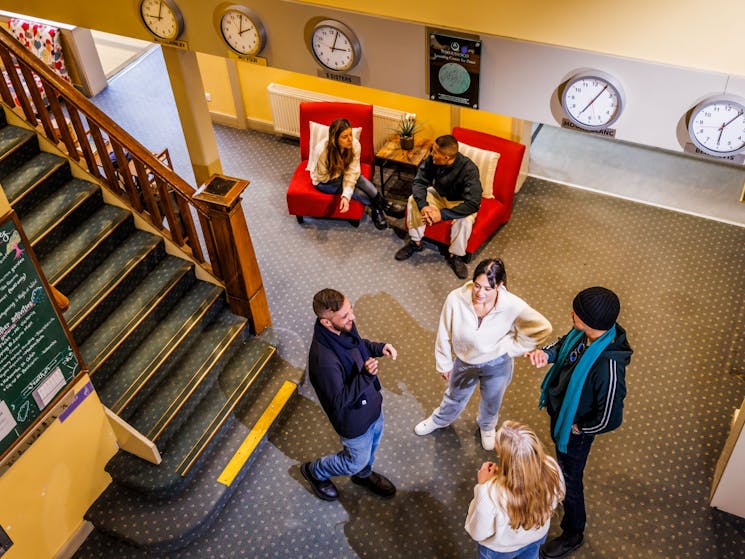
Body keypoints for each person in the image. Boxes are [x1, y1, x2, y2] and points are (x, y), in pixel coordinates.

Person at [525, 287, 632, 559]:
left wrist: (578, 429)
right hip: (562, 414)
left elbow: (610, 417)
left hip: (575, 432)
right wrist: (546, 355)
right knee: (562, 466)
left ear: (592, 323)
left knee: (572, 481)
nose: (571, 313)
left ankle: (573, 532)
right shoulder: (584, 335)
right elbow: (562, 345)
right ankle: (557, 482)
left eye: (577, 313)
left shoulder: (608, 368)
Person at [414, 258, 552, 450]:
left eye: (487, 289)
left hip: (498, 363)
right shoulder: (456, 298)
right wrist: (444, 363)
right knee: (454, 396)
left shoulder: (512, 305)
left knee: (492, 399)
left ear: (500, 285)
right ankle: (440, 419)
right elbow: (444, 332)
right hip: (465, 361)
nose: (480, 293)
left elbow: (542, 327)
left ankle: (487, 426)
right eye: (477, 286)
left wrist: (515, 347)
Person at [301, 288, 398, 501]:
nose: (352, 317)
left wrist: (378, 348)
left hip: (371, 405)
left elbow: (358, 346)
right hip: (354, 422)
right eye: (345, 315)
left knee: (371, 449)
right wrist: (365, 376)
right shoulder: (323, 360)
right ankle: (315, 471)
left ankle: (362, 475)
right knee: (354, 460)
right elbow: (338, 402)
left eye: (350, 309)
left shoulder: (344, 327)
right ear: (327, 322)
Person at [465, 421, 566, 559]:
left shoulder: (490, 492)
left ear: (506, 459)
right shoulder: (551, 466)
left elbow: (477, 532)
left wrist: (482, 485)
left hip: (500, 549)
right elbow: (557, 497)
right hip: (536, 536)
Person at [394, 134, 482, 279]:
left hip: (459, 202)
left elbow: (473, 203)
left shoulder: (469, 170)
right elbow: (419, 182)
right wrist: (423, 206)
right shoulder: (432, 160)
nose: (431, 154)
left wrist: (442, 215)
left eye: (435, 152)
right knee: (412, 200)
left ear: (447, 157)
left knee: (465, 221)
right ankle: (416, 242)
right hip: (439, 194)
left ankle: (456, 256)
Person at [309, 118, 404, 230]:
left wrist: (346, 178)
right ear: (335, 139)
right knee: (355, 189)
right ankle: (377, 207)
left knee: (359, 178)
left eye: (350, 134)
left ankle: (383, 205)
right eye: (345, 137)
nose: (350, 139)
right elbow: (323, 177)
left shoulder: (354, 145)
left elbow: (353, 172)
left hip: (341, 173)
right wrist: (346, 194)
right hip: (325, 181)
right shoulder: (321, 152)